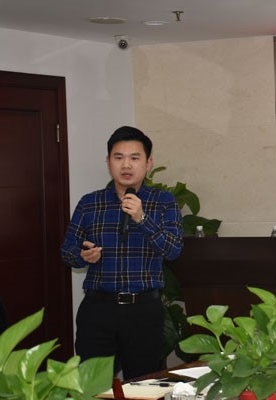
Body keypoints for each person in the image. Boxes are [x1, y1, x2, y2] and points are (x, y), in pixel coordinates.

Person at [60, 126, 183, 379]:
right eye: (119, 157)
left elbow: (172, 250)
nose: (126, 165)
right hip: (98, 309)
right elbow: (67, 251)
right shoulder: (90, 203)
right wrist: (82, 256)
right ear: (108, 162)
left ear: (148, 163)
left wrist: (142, 218)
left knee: (144, 385)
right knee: (92, 385)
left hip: (144, 310)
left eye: (134, 158)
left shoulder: (164, 202)